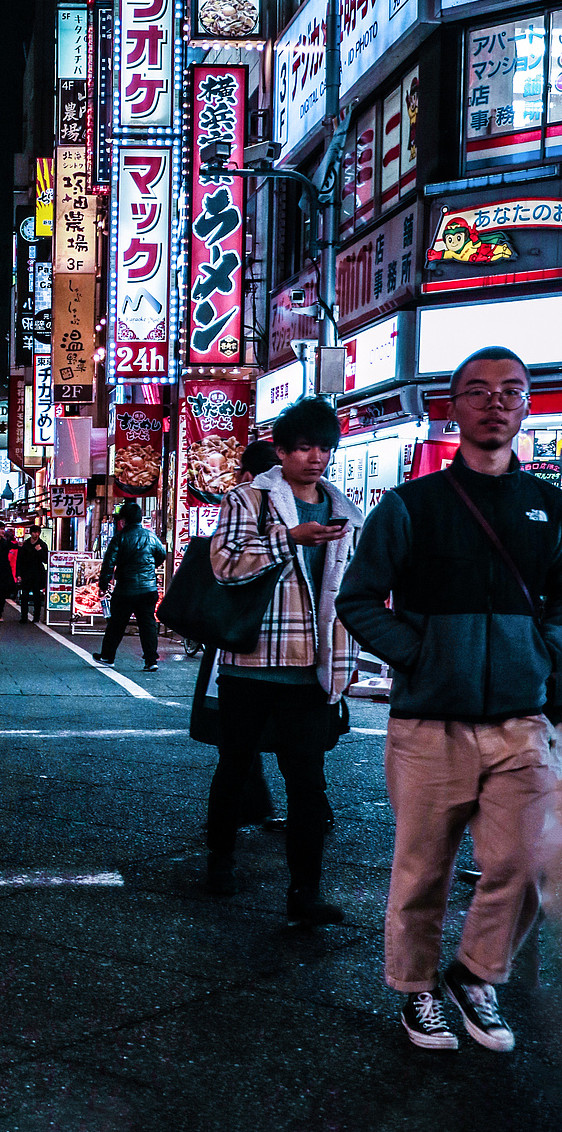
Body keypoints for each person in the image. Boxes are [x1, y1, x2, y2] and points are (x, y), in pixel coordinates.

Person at [337, 345, 562, 1054]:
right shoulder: (411, 506)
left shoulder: (550, 508)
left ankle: (474, 972)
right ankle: (415, 992)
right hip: (429, 723)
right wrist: (420, 654)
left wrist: (546, 661)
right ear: (452, 406)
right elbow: (359, 599)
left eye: (511, 390)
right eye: (478, 390)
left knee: (532, 858)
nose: (496, 401)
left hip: (520, 721)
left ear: (527, 404)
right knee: (422, 868)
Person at [205, 395, 363, 927]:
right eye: (302, 448)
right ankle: (220, 860)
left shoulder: (345, 509)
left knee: (308, 783)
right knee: (234, 767)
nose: (314, 458)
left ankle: (305, 893)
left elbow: (348, 593)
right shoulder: (249, 500)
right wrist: (288, 538)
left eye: (324, 447)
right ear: (281, 450)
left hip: (313, 667)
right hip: (250, 661)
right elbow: (225, 564)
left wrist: (351, 656)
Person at [192, 440, 286, 829]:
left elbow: (225, 567)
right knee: (291, 745)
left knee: (236, 743)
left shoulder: (242, 504)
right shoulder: (305, 509)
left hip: (239, 640)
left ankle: (225, 845)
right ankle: (263, 805)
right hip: (289, 649)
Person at [94, 502, 166, 670]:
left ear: (123, 520)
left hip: (126, 588)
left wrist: (103, 584)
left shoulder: (120, 537)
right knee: (147, 624)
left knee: (117, 624)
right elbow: (161, 555)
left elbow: (108, 563)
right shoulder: (151, 536)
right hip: (149, 588)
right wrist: (150, 568)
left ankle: (107, 656)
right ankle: (151, 661)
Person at [17, 532, 48, 624]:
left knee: (36, 596)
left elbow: (46, 559)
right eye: (34, 532)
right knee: (25, 596)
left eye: (38, 532)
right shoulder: (25, 544)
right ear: (31, 533)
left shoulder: (42, 544)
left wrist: (40, 551)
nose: (36, 534)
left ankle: (36, 616)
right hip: (26, 573)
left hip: (37, 574)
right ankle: (23, 616)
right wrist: (18, 574)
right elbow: (20, 560)